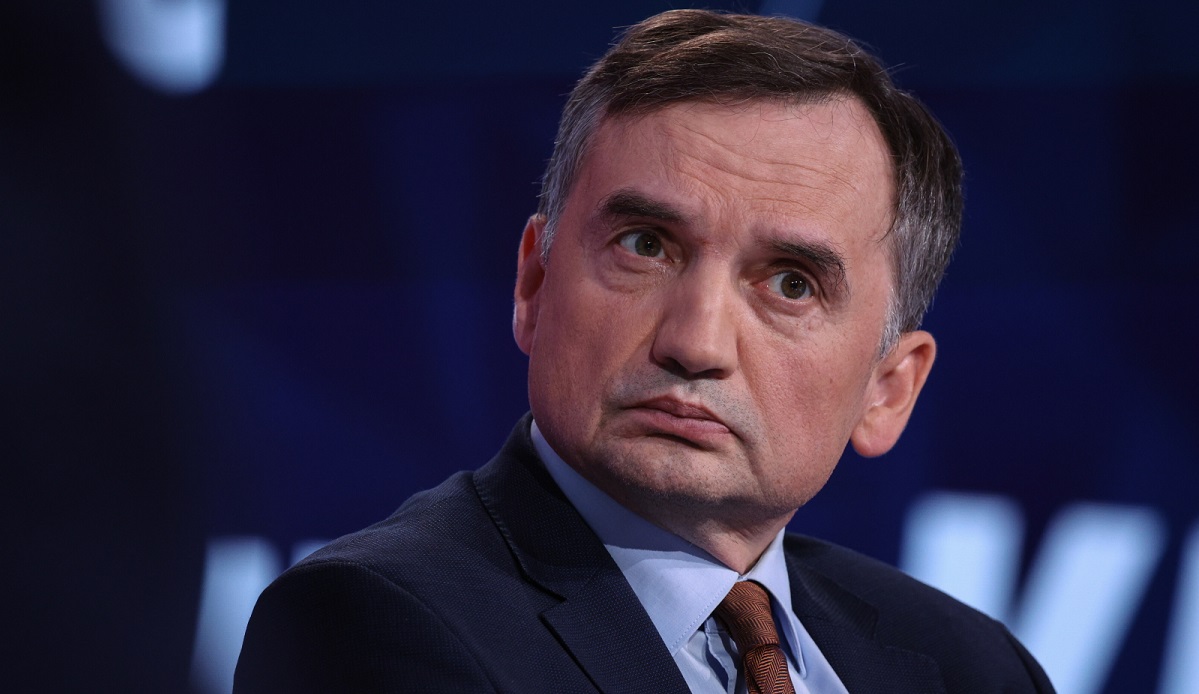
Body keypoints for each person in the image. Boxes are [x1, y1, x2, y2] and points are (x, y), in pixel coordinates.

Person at [234, 9, 1054, 693]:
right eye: (645, 245)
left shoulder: (972, 669)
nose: (694, 343)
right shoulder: (374, 621)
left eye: (790, 284)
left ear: (887, 389)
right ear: (533, 283)